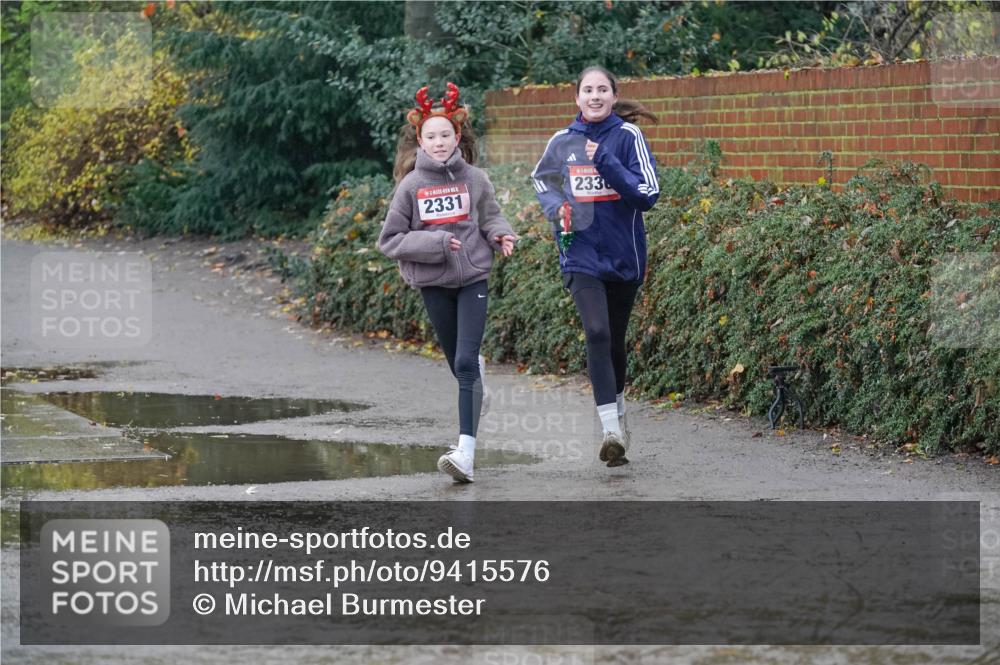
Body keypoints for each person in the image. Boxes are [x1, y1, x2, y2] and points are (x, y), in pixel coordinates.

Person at [379, 82, 517, 483]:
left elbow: (491, 216)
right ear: (419, 140)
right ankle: (477, 386)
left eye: (445, 135)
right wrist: (436, 243)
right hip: (433, 282)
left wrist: (501, 235)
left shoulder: (475, 179)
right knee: (459, 365)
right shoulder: (411, 187)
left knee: (463, 362)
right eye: (430, 136)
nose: (438, 142)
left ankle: (465, 455)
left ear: (457, 137)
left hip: (473, 276)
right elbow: (390, 240)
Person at [530, 66, 659, 468]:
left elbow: (647, 194)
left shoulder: (628, 137)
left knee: (615, 339)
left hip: (624, 257)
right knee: (597, 331)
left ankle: (619, 419)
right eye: (588, 90)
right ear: (577, 98)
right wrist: (558, 209)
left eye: (602, 89)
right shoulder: (563, 140)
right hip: (580, 254)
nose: (595, 96)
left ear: (614, 95)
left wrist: (604, 160)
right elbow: (541, 181)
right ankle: (609, 430)